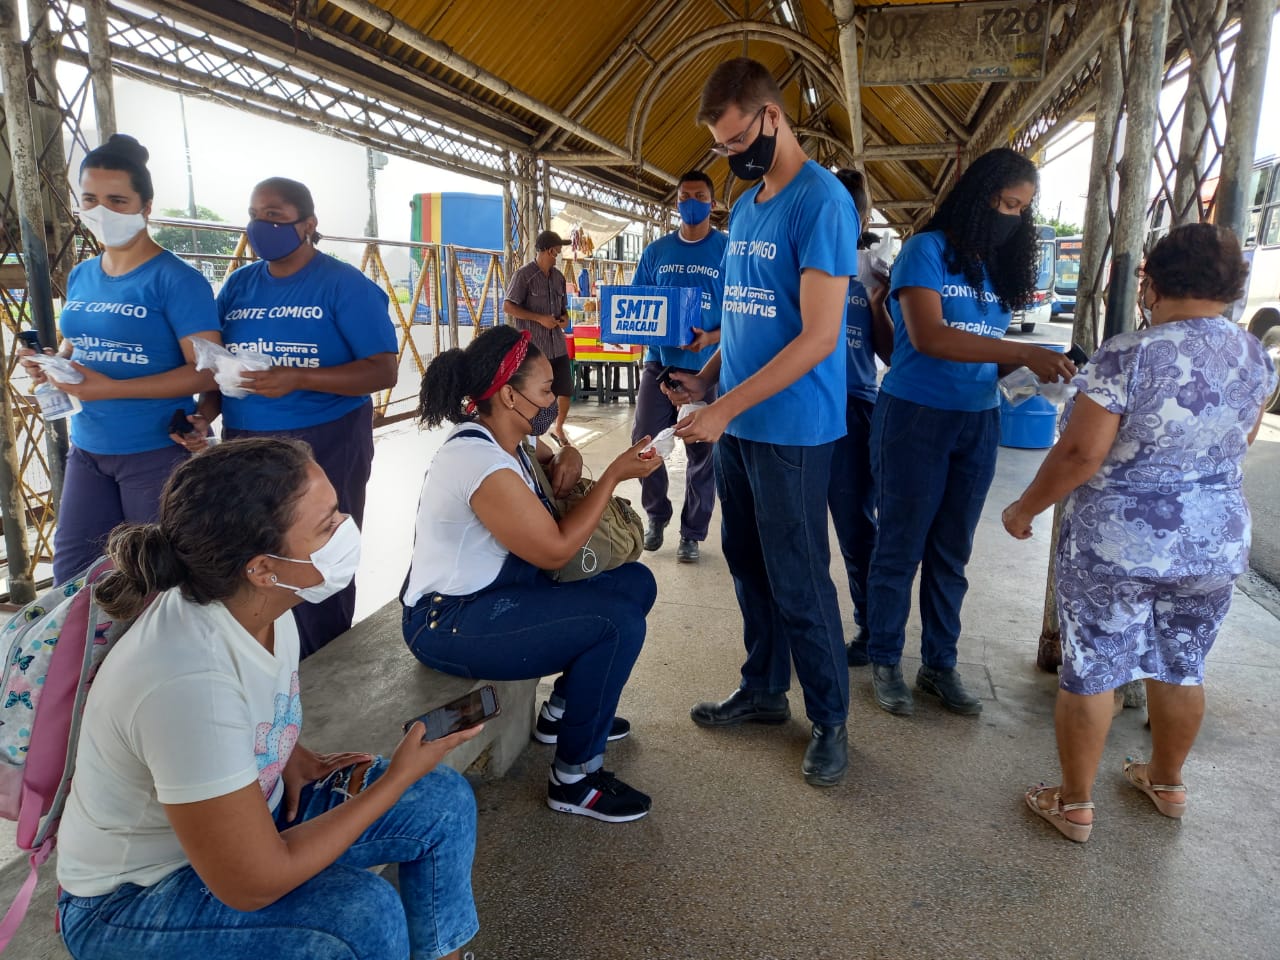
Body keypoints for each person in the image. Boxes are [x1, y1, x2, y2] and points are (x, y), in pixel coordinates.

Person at [55, 437, 480, 959]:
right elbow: (252, 882)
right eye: (327, 525)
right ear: (262, 567)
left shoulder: (263, 603)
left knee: (442, 803)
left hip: (252, 817)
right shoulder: (186, 681)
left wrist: (289, 754)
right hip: (134, 898)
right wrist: (392, 782)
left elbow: (257, 699)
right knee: (359, 918)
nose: (346, 529)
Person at [1002, 223, 1276, 842]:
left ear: (1150, 280)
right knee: (1182, 664)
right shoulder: (1253, 354)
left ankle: (1073, 805)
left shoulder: (1130, 353)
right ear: (1232, 287)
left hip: (1120, 544)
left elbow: (1079, 455)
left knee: (1095, 668)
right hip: (1214, 541)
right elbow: (1244, 438)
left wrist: (1024, 510)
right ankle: (1167, 783)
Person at [666, 58, 859, 788]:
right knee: (748, 564)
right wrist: (707, 379)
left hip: (792, 432)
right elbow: (746, 320)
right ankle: (765, 690)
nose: (731, 156)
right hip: (740, 425)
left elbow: (816, 338)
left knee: (800, 577)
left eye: (737, 139)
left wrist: (722, 408)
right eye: (720, 148)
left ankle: (832, 718)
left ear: (772, 117)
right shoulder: (746, 206)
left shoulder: (822, 203)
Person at [403, 325, 662, 822]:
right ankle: (575, 778)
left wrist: (571, 453)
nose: (553, 400)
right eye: (545, 390)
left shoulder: (511, 440)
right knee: (617, 623)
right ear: (507, 394)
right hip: (448, 621)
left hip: (499, 593)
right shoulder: (478, 461)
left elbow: (555, 453)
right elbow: (555, 551)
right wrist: (611, 477)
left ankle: (564, 712)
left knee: (636, 584)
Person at [864, 147, 1076, 719]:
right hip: (913, 416)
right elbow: (931, 337)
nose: (1014, 216)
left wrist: (1040, 365)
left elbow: (990, 357)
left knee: (951, 552)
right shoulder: (924, 253)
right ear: (979, 198)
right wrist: (1019, 348)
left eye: (1023, 209)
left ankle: (940, 664)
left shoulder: (994, 270)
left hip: (977, 420)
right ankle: (884, 658)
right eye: (1007, 204)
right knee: (899, 546)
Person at [197, 177, 398, 658]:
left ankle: (324, 657)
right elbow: (219, 366)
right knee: (250, 554)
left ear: (307, 224)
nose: (261, 225)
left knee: (317, 554)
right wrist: (205, 415)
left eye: (274, 215)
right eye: (254, 214)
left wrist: (300, 378)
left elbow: (383, 369)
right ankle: (262, 656)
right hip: (245, 442)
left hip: (326, 438)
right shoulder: (240, 285)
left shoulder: (344, 286)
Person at [18, 134, 221, 585]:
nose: (102, 211)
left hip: (153, 452)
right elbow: (79, 345)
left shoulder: (177, 280)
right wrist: (53, 363)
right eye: (90, 199)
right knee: (73, 576)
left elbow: (207, 370)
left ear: (146, 206)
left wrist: (110, 388)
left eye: (117, 200)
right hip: (88, 446)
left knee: (157, 581)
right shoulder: (82, 273)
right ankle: (88, 658)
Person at [629, 169, 728, 563]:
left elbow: (739, 312)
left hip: (708, 367)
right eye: (685, 196)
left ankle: (693, 533)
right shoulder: (656, 252)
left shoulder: (727, 250)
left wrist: (708, 339)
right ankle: (656, 516)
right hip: (660, 363)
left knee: (703, 452)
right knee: (644, 441)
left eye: (699, 195)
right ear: (676, 203)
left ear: (713, 203)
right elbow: (635, 303)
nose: (691, 202)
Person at [827, 169, 894, 665]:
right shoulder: (802, 256)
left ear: (865, 215)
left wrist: (879, 305)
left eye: (851, 208)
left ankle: (871, 630)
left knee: (855, 528)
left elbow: (892, 353)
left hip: (855, 407)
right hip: (804, 405)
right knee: (797, 529)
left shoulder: (876, 268)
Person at [504, 230, 573, 446]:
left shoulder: (559, 278)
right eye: (557, 251)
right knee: (535, 393)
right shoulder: (524, 276)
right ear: (549, 250)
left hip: (557, 346)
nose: (558, 255)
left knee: (565, 389)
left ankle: (559, 428)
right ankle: (534, 438)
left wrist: (564, 319)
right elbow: (508, 306)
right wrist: (538, 319)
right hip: (534, 349)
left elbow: (565, 310)